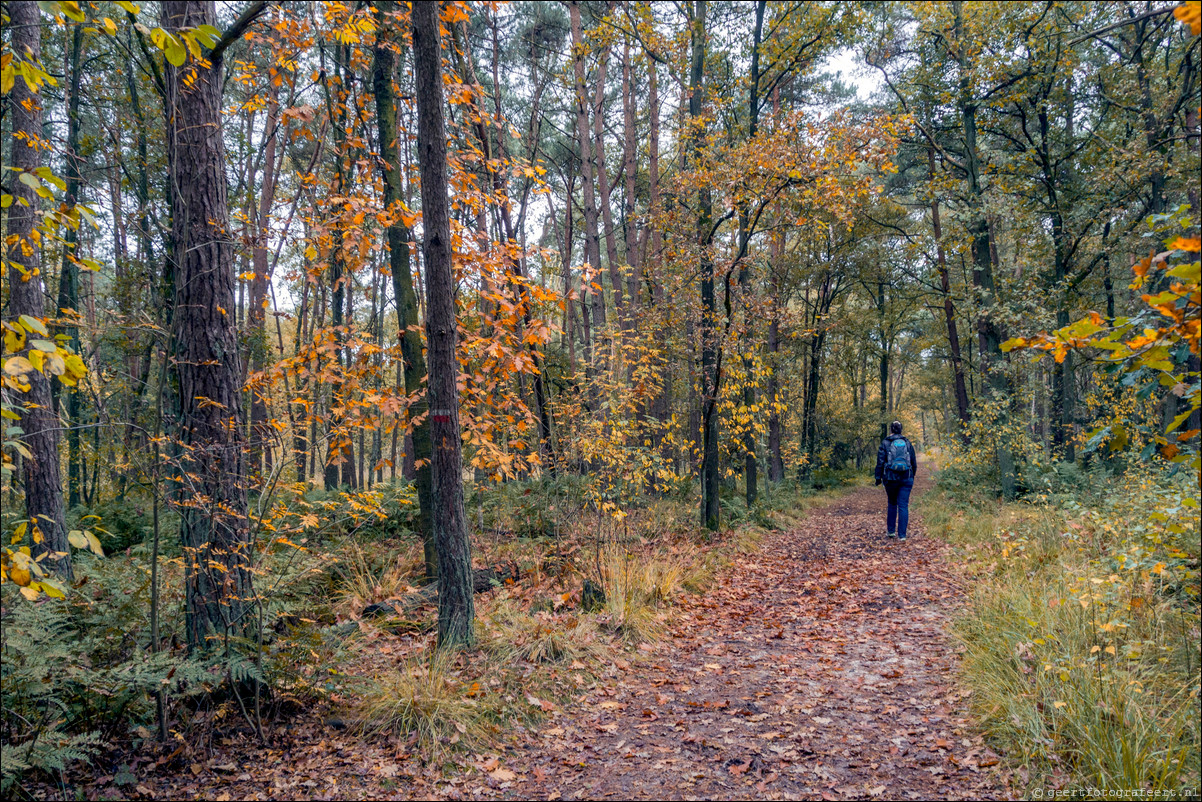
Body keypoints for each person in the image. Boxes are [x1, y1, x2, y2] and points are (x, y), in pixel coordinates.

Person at [874, 420, 917, 541]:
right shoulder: (907, 442)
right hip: (906, 477)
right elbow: (913, 462)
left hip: (890, 478)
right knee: (903, 505)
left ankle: (891, 532)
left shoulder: (885, 442)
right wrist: (912, 476)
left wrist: (878, 477)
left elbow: (880, 462)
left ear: (891, 430)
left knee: (892, 503)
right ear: (901, 430)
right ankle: (902, 536)